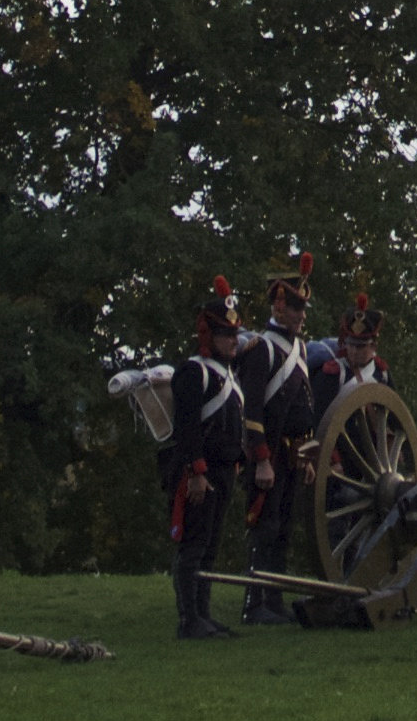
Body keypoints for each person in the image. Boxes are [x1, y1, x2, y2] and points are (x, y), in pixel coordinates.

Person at [141, 280, 260, 644]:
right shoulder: (194, 372)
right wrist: (196, 472)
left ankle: (204, 615)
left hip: (221, 471)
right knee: (193, 546)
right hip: (199, 473)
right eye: (226, 335)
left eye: (234, 334)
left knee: (209, 546)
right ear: (208, 335)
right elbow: (188, 428)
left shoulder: (226, 372)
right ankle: (189, 619)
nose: (233, 341)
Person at [239, 255, 329, 625]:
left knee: (283, 530)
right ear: (279, 307)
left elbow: (302, 408)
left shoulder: (301, 349)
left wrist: (306, 457)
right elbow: (252, 410)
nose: (302, 316)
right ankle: (254, 603)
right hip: (270, 455)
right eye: (297, 309)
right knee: (265, 527)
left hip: (292, 456)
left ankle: (273, 601)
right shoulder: (261, 348)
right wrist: (261, 459)